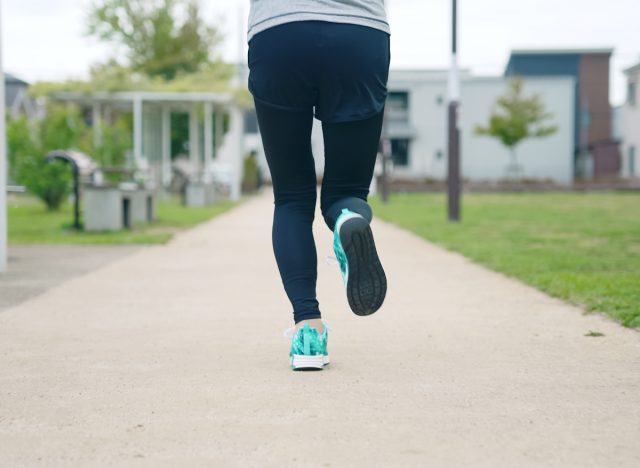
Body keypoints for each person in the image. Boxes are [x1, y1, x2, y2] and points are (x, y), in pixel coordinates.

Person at [247, 0, 390, 370]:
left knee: (292, 197)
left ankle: (308, 331)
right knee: (347, 190)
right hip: (359, 33)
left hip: (279, 33)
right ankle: (345, 220)